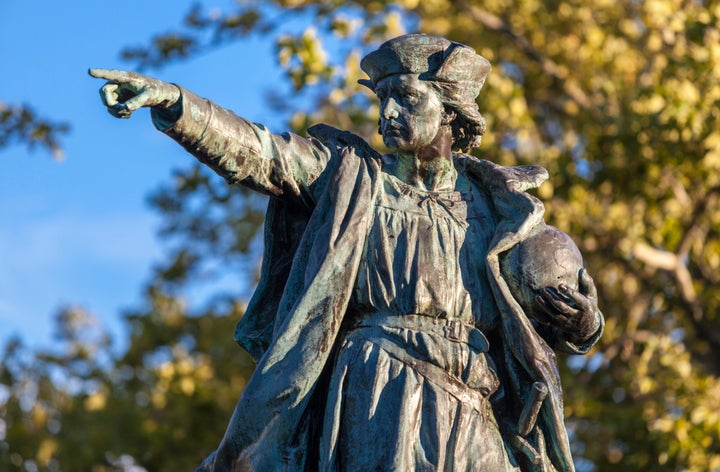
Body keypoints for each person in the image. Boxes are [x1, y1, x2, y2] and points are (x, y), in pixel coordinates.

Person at [91, 34, 603, 472]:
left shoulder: (499, 209)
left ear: (451, 110)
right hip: (381, 387)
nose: (388, 113)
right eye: (381, 100)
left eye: (405, 98)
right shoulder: (350, 177)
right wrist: (176, 104)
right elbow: (261, 153)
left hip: (475, 402)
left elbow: (542, 325)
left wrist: (582, 322)